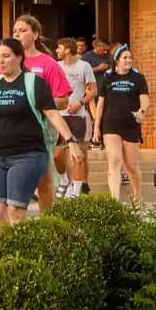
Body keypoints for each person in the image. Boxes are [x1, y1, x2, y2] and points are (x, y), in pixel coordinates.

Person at [0, 37, 75, 230]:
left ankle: (17, 253)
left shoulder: (34, 83)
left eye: (6, 56)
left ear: (19, 57)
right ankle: (11, 247)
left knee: (15, 210)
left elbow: (53, 115)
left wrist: (71, 141)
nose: (1, 60)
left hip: (27, 155)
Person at [6, 14, 73, 213]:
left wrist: (37, 103)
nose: (18, 34)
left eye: (23, 30)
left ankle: (46, 226)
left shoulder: (48, 64)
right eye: (15, 31)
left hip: (41, 130)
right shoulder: (6, 62)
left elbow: (63, 100)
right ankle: (18, 230)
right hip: (12, 130)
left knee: (44, 183)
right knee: (15, 185)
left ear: (35, 34)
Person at [91, 45, 148, 205]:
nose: (128, 60)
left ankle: (137, 196)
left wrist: (142, 111)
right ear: (117, 60)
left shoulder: (138, 77)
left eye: (130, 57)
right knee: (115, 161)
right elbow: (100, 104)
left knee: (131, 165)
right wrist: (96, 128)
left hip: (131, 124)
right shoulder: (108, 77)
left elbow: (144, 98)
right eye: (125, 57)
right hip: (111, 123)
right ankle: (115, 202)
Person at [56, 38, 97, 198]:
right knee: (57, 155)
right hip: (60, 116)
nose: (56, 51)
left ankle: (76, 191)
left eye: (59, 48)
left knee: (78, 154)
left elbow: (93, 90)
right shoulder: (56, 66)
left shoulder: (84, 66)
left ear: (67, 50)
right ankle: (64, 179)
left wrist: (80, 103)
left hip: (78, 115)